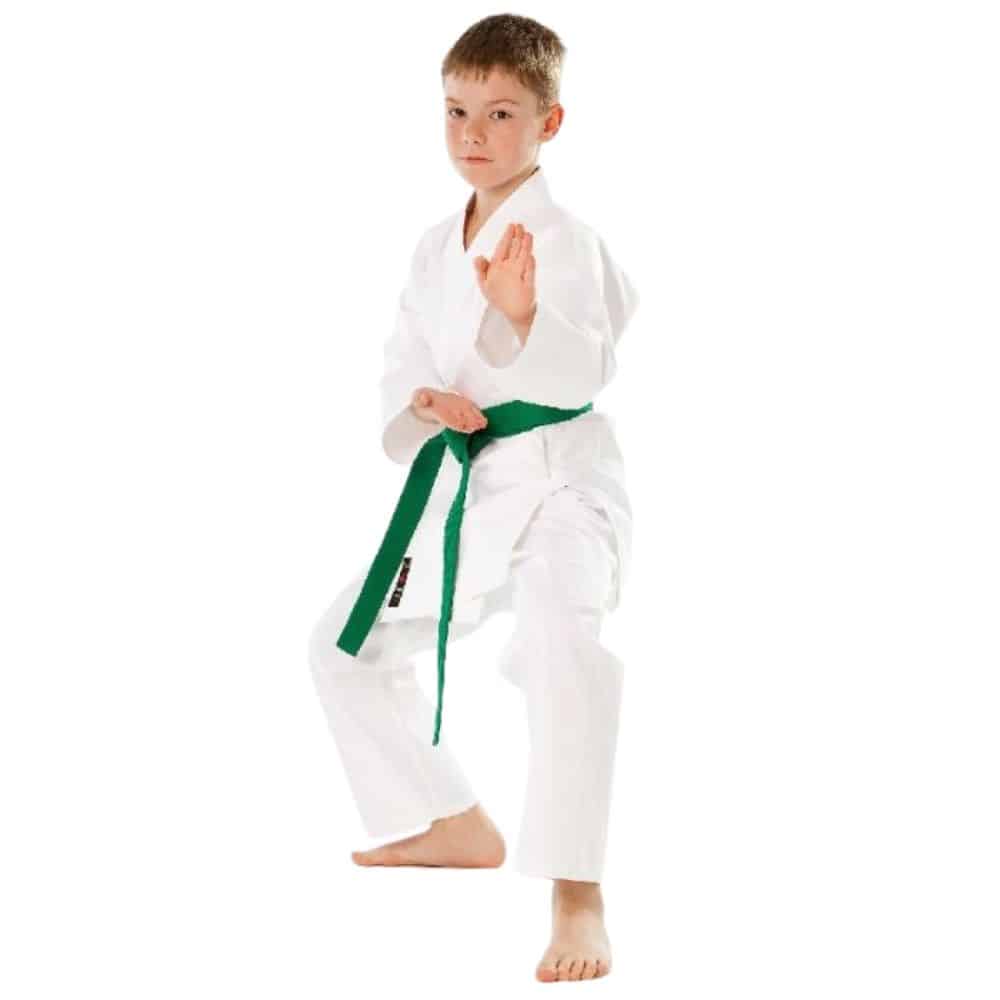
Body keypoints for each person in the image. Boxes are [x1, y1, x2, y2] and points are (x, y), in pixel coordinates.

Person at [308, 14, 639, 984]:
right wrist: (423, 400)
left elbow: (586, 366)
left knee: (561, 644)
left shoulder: (566, 239)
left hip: (563, 483)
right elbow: (406, 355)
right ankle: (451, 819)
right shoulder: (432, 245)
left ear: (549, 122)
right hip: (476, 482)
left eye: (500, 113)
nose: (473, 134)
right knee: (342, 648)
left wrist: (525, 317)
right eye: (456, 111)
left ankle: (577, 890)